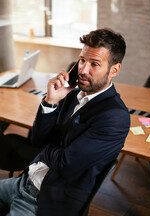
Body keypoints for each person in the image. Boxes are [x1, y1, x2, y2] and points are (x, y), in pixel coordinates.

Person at [0, 28, 130, 216]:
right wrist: (51, 101)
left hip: (45, 200)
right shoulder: (71, 95)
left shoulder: (115, 117)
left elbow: (65, 165)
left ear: (114, 69)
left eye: (94, 64)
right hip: (24, 182)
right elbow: (36, 141)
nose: (83, 70)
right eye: (82, 60)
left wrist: (49, 147)